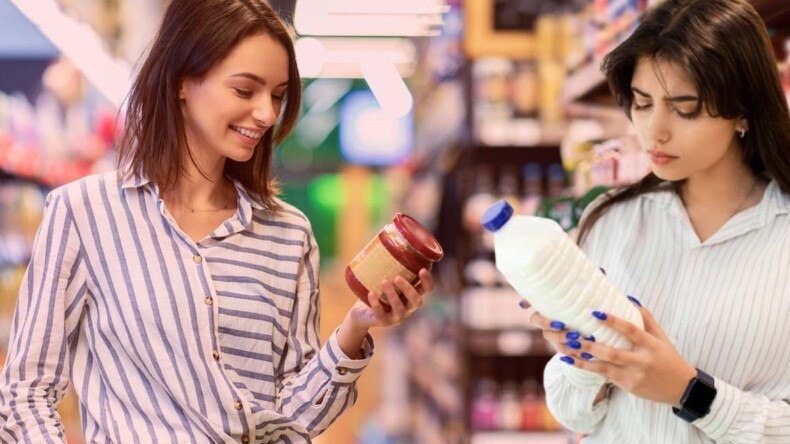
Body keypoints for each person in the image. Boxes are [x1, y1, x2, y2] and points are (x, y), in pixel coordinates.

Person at [0, 0, 433, 442]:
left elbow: (293, 416)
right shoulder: (84, 212)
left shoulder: (289, 234)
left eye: (278, 95)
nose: (267, 113)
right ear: (183, 82)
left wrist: (356, 326)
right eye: (246, 91)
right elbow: (25, 393)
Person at [526, 0, 790, 442]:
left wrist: (689, 391)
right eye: (642, 103)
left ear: (743, 109)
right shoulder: (610, 220)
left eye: (684, 108)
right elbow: (575, 413)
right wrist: (588, 364)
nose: (655, 131)